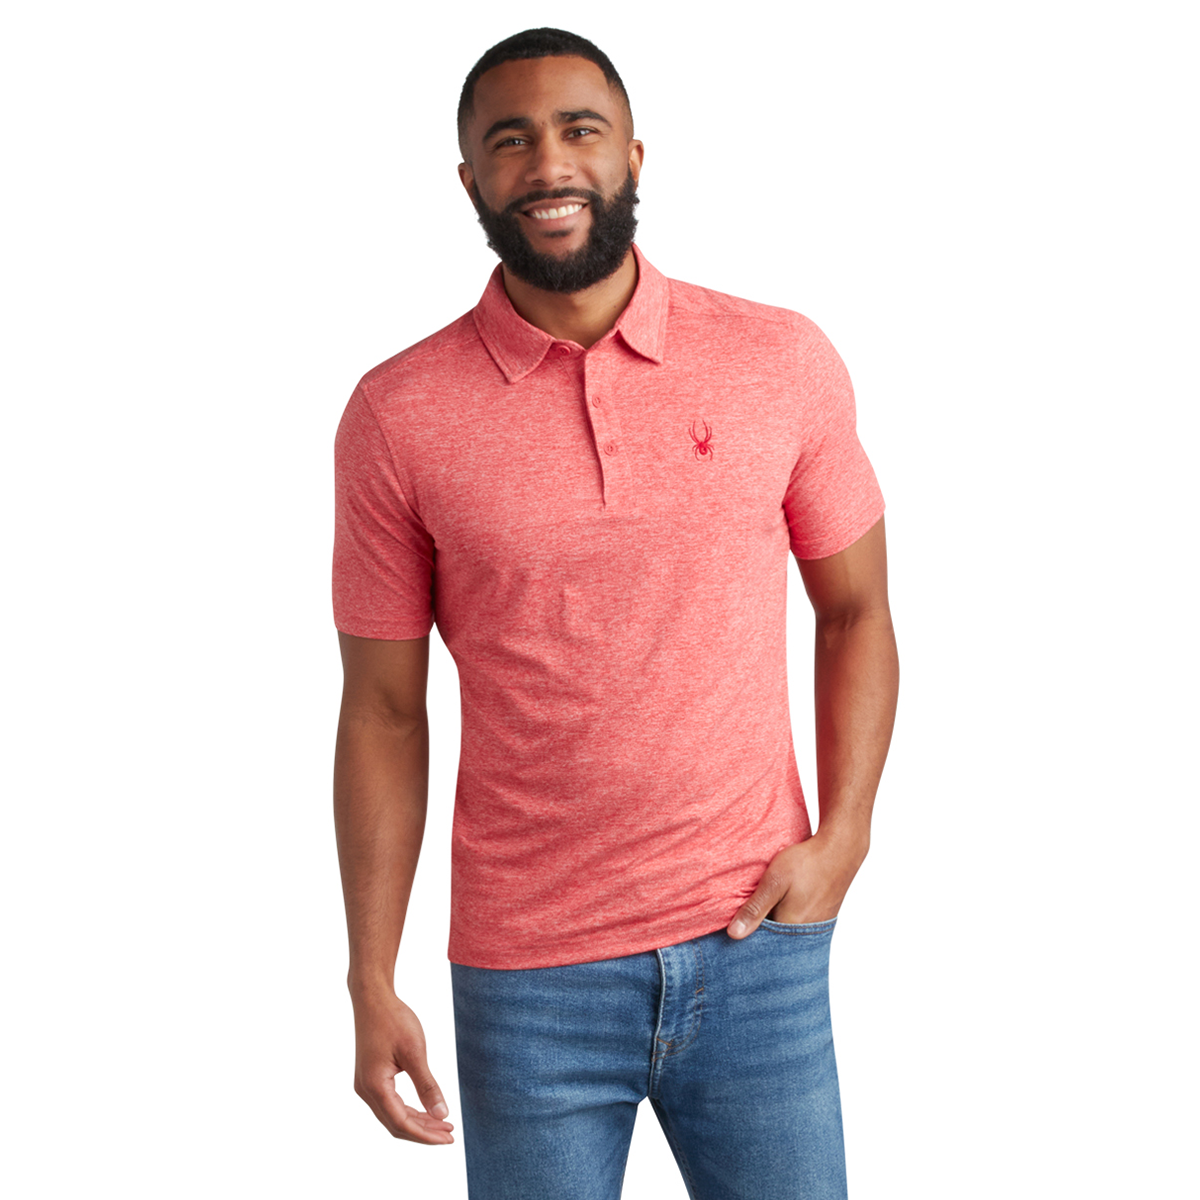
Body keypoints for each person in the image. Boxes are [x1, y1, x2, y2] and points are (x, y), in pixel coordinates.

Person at [332, 26, 898, 1200]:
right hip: (528, 981)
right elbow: (383, 710)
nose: (549, 163)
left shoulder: (780, 359)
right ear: (470, 180)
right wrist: (370, 977)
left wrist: (844, 837)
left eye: (579, 130)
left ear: (633, 155)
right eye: (511, 141)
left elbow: (856, 610)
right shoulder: (396, 416)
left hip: (757, 944)